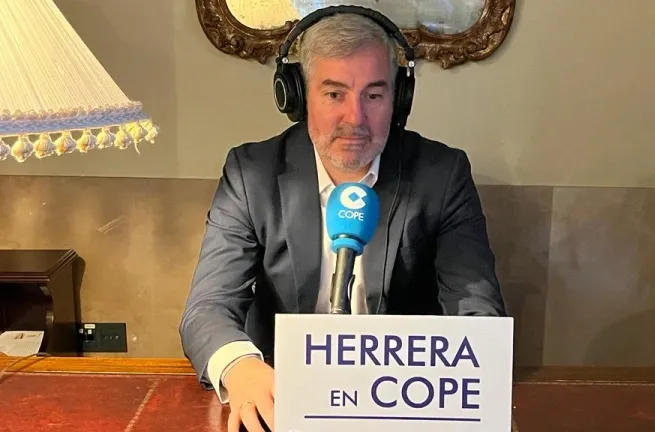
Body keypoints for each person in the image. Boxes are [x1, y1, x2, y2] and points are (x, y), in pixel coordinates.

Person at [179, 6, 507, 432]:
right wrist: (240, 367)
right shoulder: (251, 174)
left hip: (401, 399)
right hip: (284, 397)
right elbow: (207, 307)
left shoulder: (442, 175)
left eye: (374, 96)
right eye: (334, 94)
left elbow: (477, 313)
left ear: (399, 98)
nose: (355, 119)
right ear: (298, 97)